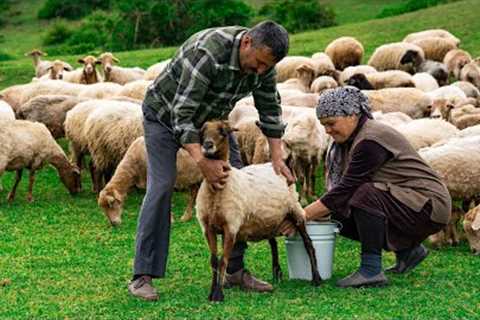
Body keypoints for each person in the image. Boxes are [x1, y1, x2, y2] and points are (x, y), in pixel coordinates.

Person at [128, 20, 295, 301]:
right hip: (166, 116)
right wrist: (201, 162)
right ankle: (142, 275)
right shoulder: (207, 52)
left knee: (236, 184)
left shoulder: (263, 62)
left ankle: (234, 270)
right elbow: (182, 115)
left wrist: (277, 157)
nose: (261, 71)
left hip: (213, 124)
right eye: (258, 64)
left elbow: (269, 107)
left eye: (267, 67)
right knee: (162, 186)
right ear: (246, 43)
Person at [280, 86, 451, 288]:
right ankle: (408, 251)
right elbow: (338, 196)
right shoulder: (352, 139)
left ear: (352, 115)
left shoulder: (370, 139)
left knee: (362, 194)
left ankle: (371, 270)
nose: (327, 130)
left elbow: (347, 189)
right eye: (324, 125)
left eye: (331, 123)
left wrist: (301, 215)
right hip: (409, 201)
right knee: (335, 213)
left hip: (429, 205)